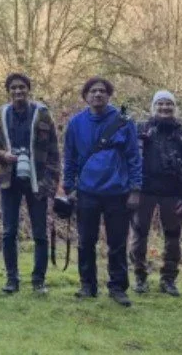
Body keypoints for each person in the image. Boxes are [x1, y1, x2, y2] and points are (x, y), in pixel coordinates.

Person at [63, 77, 142, 307]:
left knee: (117, 242)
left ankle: (118, 288)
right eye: (93, 91)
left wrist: (135, 189)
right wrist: (69, 187)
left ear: (109, 96)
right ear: (86, 96)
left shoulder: (124, 122)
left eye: (102, 91)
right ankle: (87, 285)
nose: (97, 95)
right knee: (86, 241)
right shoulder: (75, 123)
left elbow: (134, 158)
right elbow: (69, 157)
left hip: (118, 191)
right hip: (86, 191)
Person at [0, 73, 60, 294]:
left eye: (22, 88)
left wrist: (52, 181)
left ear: (29, 90)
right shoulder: (1, 115)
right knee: (9, 232)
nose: (18, 92)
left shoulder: (43, 114)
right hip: (9, 180)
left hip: (37, 181)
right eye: (14, 88)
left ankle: (39, 281)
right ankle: (12, 280)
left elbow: (54, 152)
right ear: (8, 91)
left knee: (39, 233)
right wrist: (2, 155)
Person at [129, 90, 182, 297]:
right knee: (139, 235)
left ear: (174, 108)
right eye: (160, 104)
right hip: (144, 192)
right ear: (153, 107)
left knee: (173, 238)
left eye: (168, 104)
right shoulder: (141, 130)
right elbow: (129, 159)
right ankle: (140, 277)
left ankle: (168, 279)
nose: (164, 108)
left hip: (172, 194)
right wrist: (131, 190)